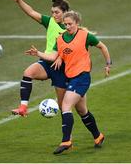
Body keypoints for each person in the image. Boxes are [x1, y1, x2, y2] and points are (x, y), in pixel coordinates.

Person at [25, 10, 112, 154]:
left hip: (82, 77)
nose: (67, 27)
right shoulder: (60, 39)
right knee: (82, 110)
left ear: (77, 23)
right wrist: (38, 54)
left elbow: (102, 46)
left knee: (65, 105)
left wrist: (108, 64)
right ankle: (98, 136)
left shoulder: (85, 36)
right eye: (65, 24)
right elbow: (53, 56)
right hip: (71, 78)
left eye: (70, 24)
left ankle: (66, 141)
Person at [8, 0, 70, 116]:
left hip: (61, 68)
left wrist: (60, 57)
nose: (53, 15)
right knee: (28, 73)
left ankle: (68, 135)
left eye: (56, 12)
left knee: (63, 107)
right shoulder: (50, 22)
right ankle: (23, 108)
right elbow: (31, 12)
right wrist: (19, 1)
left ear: (65, 13)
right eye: (52, 12)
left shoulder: (70, 29)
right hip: (46, 62)